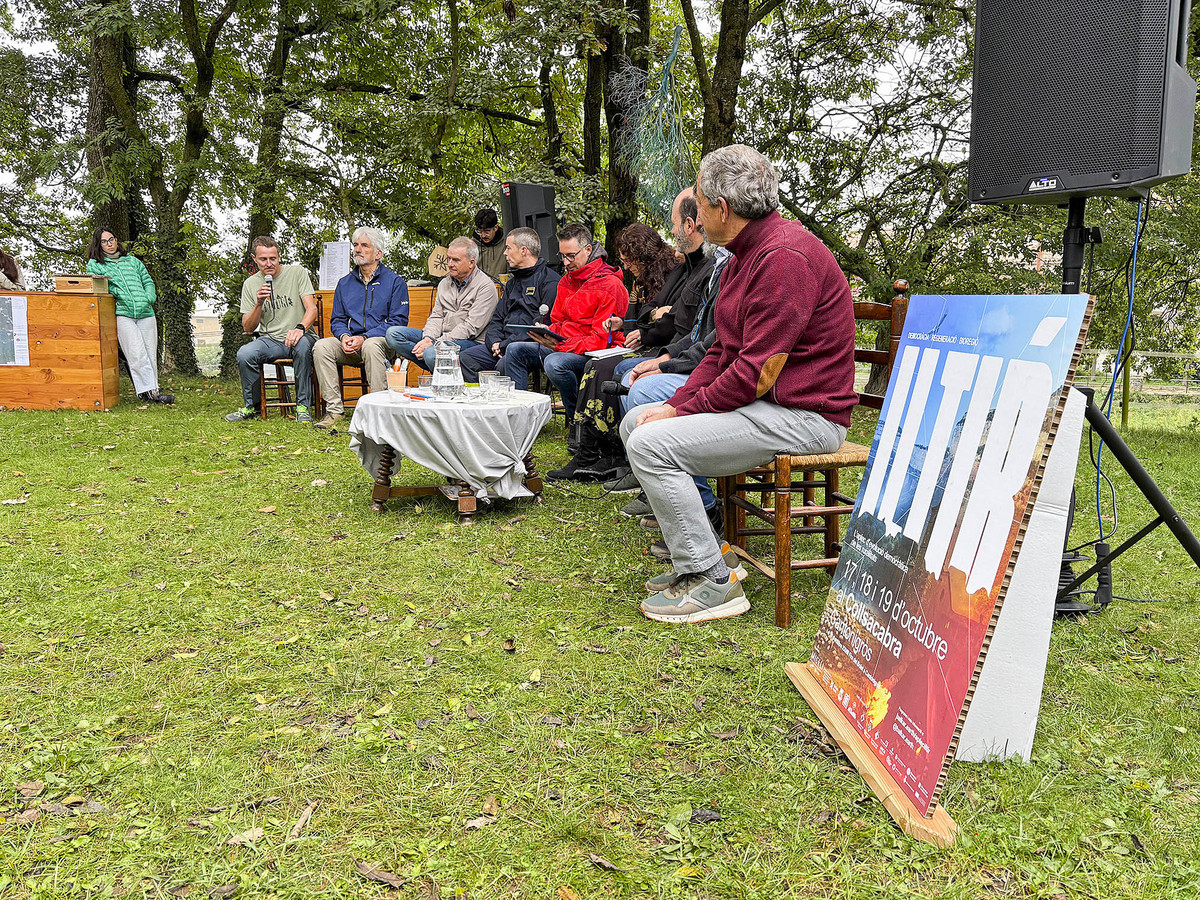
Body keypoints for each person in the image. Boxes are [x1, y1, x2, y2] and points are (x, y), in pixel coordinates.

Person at [619, 144, 857, 624]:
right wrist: (678, 403)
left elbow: (756, 371)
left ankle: (710, 580)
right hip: (769, 406)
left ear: (722, 209)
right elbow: (721, 353)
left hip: (806, 417)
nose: (697, 218)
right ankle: (704, 558)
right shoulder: (744, 255)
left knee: (650, 445)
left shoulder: (784, 257)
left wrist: (682, 411)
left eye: (701, 206)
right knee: (636, 424)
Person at [554, 193, 715, 483]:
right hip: (665, 346)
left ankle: (613, 454)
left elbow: (675, 322)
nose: (626, 266)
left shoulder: (688, 269)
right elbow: (648, 314)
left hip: (669, 349)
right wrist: (636, 323)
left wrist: (650, 331)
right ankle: (593, 451)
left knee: (608, 369)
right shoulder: (681, 270)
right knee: (598, 366)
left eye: (675, 223)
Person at [502, 224, 629, 428]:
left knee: (555, 363)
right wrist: (548, 333)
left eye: (571, 256)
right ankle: (520, 421)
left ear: (588, 250)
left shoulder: (610, 285)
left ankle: (578, 421)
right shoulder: (566, 281)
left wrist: (559, 344)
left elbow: (600, 340)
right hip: (566, 344)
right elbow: (558, 321)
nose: (566, 262)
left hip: (596, 352)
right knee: (515, 350)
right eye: (562, 256)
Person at [312, 227, 410, 429]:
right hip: (352, 344)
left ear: (378, 254)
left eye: (364, 245)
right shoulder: (344, 283)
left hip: (383, 345)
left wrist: (364, 338)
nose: (358, 249)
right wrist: (344, 336)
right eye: (356, 245)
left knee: (372, 345)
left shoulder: (395, 282)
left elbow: (398, 322)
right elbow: (337, 319)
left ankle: (378, 411)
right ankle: (334, 411)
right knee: (321, 346)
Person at [226, 236, 319, 423]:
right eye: (263, 259)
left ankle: (302, 407)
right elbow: (248, 327)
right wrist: (259, 303)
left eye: (273, 258)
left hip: (302, 336)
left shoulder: (297, 273)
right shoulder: (250, 284)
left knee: (301, 346)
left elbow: (312, 309)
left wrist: (300, 328)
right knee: (245, 353)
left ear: (279, 256)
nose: (269, 264)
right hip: (272, 341)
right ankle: (253, 407)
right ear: (254, 259)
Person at [459, 227, 559, 383]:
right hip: (502, 346)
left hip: (528, 346)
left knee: (506, 362)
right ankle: (480, 403)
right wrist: (494, 343)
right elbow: (497, 318)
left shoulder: (549, 281)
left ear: (523, 251)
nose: (504, 253)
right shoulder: (512, 283)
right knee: (465, 358)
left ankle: (512, 406)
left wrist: (506, 345)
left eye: (508, 248)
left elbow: (539, 327)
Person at [85, 228, 173, 405]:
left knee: (149, 352)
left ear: (117, 240)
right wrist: (117, 293)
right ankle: (150, 392)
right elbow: (97, 285)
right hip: (122, 313)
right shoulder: (95, 264)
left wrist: (149, 297)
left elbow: (147, 280)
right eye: (104, 241)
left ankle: (152, 391)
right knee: (136, 353)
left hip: (146, 312)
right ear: (98, 244)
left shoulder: (133, 261)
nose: (110, 244)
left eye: (112, 239)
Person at [386, 237, 499, 373]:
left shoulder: (486, 287)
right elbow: (436, 316)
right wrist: (428, 338)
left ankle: (443, 376)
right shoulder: (444, 283)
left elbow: (471, 328)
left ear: (471, 263)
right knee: (393, 334)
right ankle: (437, 367)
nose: (450, 264)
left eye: (456, 260)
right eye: (449, 258)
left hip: (471, 342)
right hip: (440, 338)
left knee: (431, 353)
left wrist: (436, 343)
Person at [473, 208, 507, 280]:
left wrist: (497, 281)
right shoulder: (472, 246)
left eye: (487, 231)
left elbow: (515, 273)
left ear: (495, 228)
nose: (483, 235)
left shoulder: (507, 244)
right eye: (480, 231)